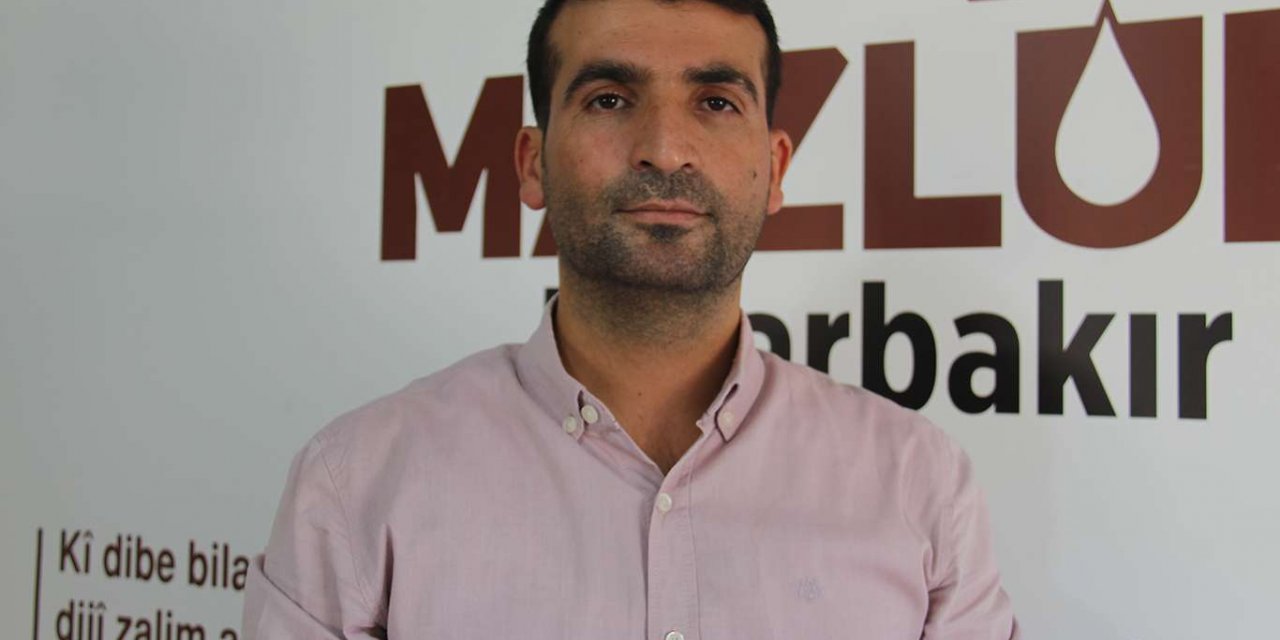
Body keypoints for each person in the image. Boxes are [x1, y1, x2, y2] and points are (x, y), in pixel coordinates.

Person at [241, 0, 1020, 637]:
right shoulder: (355, 484)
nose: (665, 149)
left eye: (716, 102)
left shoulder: (920, 487)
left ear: (776, 168)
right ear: (532, 164)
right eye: (610, 99)